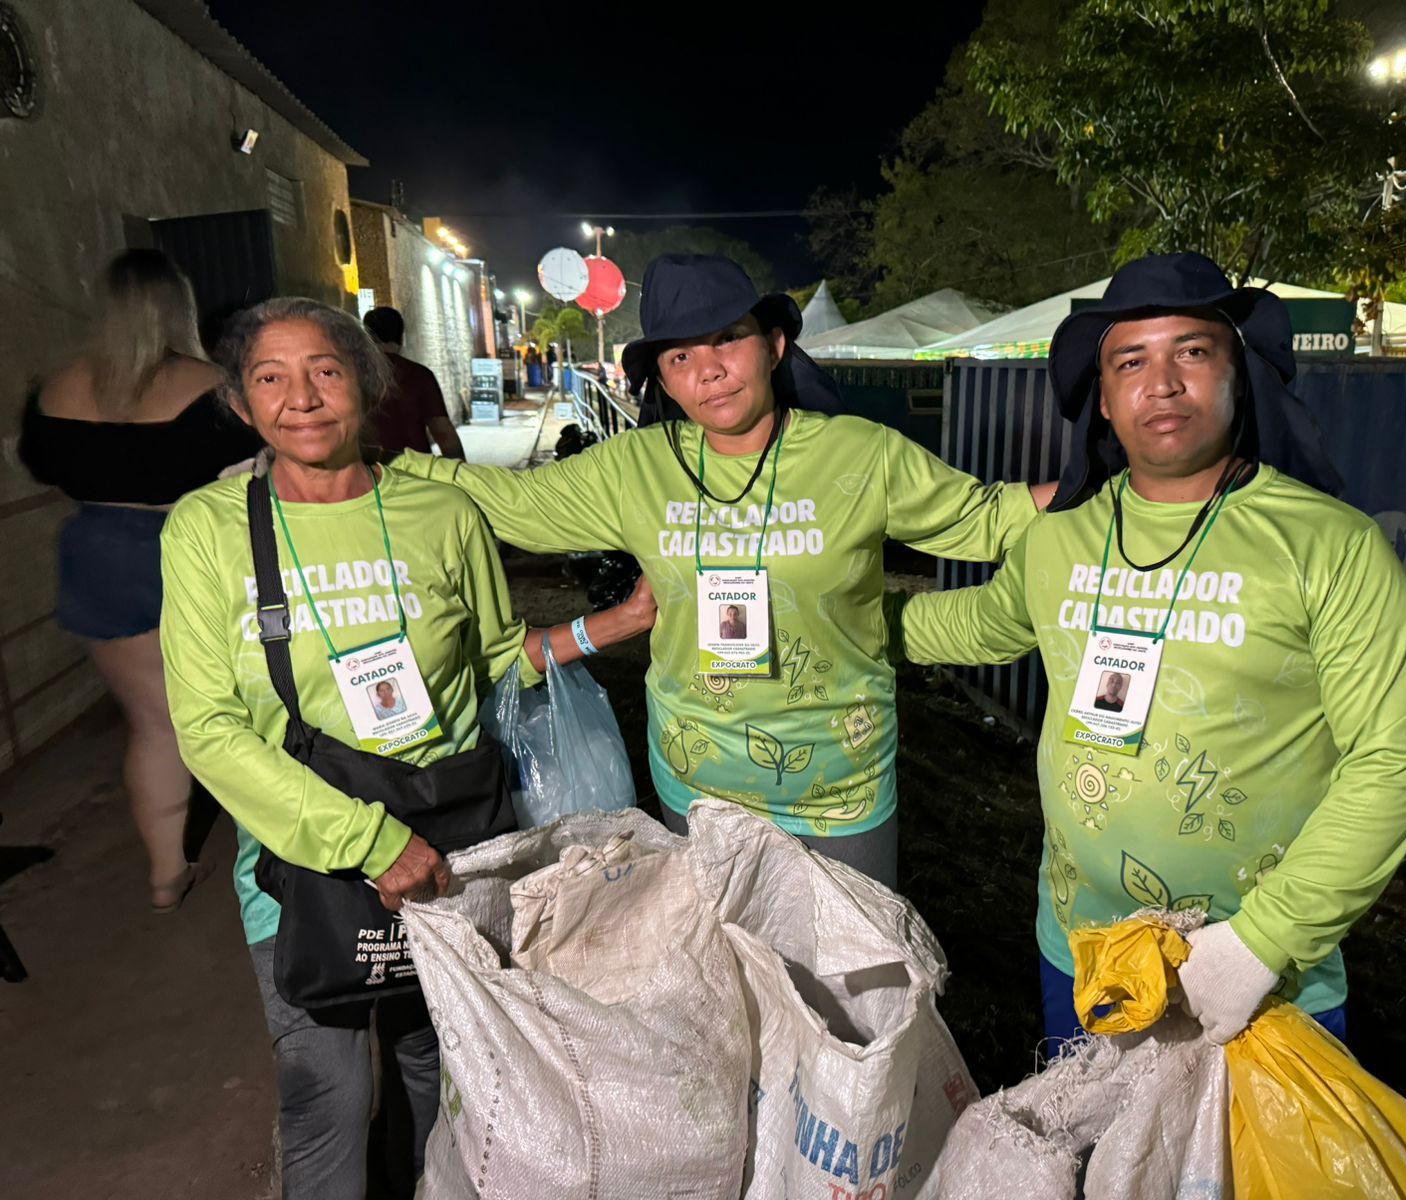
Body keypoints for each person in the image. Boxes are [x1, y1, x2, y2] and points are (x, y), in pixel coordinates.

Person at [158, 297, 655, 1198]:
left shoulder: (442, 515)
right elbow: (208, 729)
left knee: (447, 1072)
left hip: (452, 850)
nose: (300, 397)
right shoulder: (206, 529)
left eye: (325, 370)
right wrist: (374, 845)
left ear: (368, 384)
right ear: (241, 402)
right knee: (330, 1100)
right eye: (270, 377)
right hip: (303, 865)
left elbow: (499, 664)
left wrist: (612, 625)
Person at [896, 252, 1406, 1048]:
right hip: (1082, 954)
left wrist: (1261, 945)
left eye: (1191, 351)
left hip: (1263, 976)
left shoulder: (1331, 546)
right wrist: (829, 615)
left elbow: (1394, 760)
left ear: (1236, 375)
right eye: (1130, 360)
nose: (1162, 382)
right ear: (1106, 402)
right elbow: (977, 624)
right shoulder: (1062, 538)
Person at [391, 254, 1055, 888]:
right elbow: (513, 505)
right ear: (664, 379)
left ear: (773, 346)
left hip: (840, 791)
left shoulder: (861, 454)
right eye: (680, 356)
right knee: (730, 992)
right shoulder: (637, 468)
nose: (707, 371)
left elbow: (988, 518)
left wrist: (1113, 492)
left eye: (727, 340)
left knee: (848, 998)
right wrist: (377, 467)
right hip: (697, 793)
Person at [18, 247, 260, 912]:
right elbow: (253, 466)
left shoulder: (54, 386)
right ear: (175, 307)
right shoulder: (208, 385)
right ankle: (276, 853)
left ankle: (164, 874)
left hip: (94, 551)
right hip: (187, 548)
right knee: (244, 712)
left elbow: (39, 464)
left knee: (153, 724)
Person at [360, 305, 466, 461]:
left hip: (368, 471)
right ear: (402, 337)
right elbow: (442, 432)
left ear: (366, 336)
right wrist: (459, 473)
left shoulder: (351, 375)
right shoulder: (420, 375)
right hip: (416, 470)